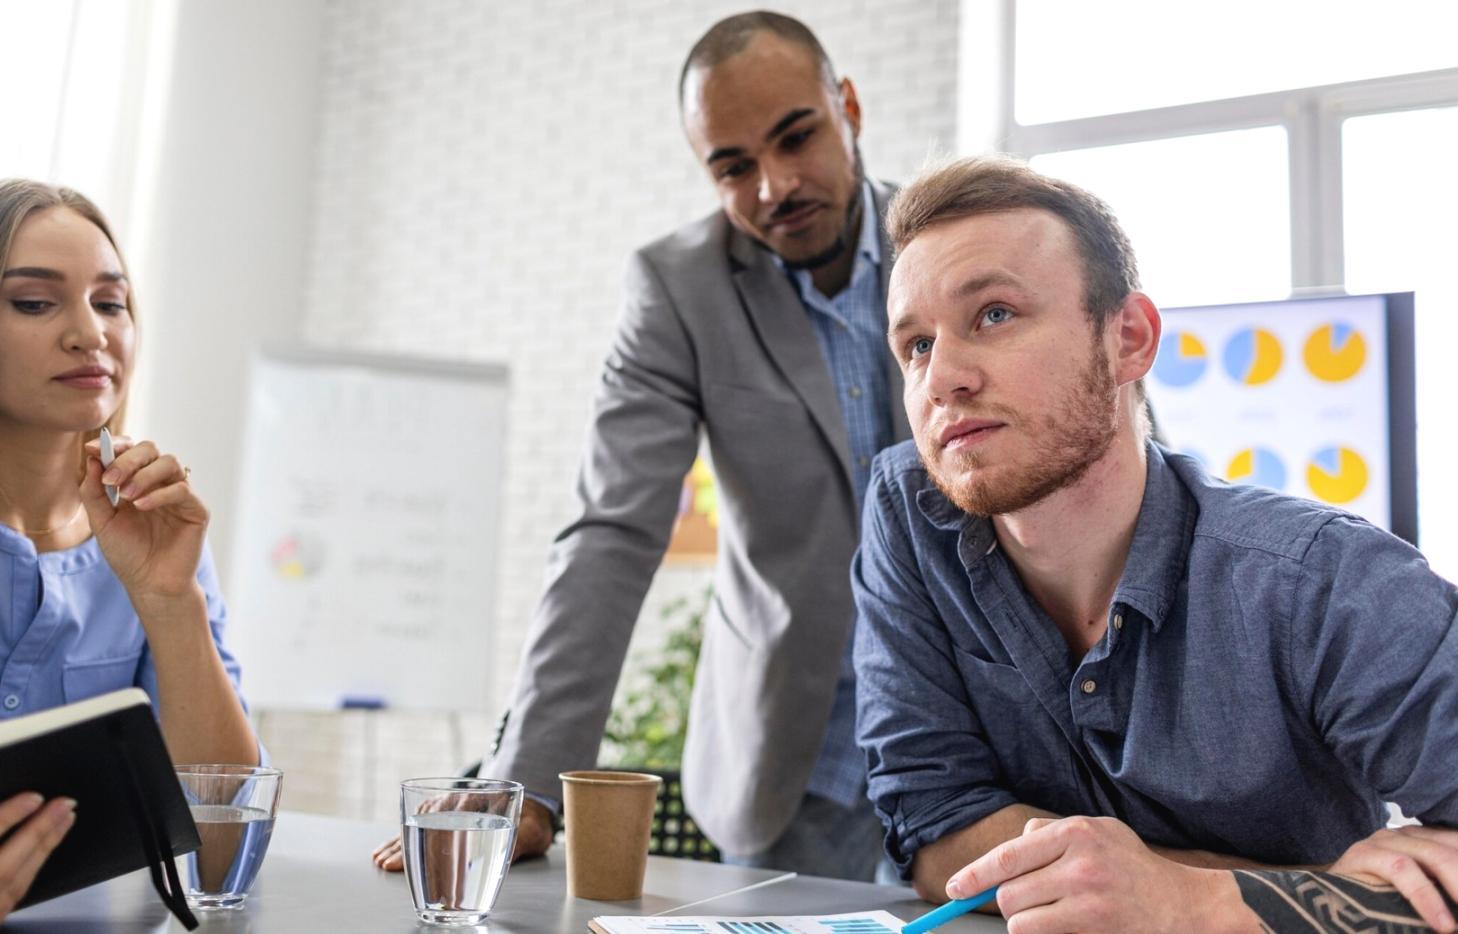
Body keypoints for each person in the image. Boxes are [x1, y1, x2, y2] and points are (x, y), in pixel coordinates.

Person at [851, 155, 1458, 931]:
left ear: (1129, 340)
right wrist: (1271, 889)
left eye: (994, 314)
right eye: (917, 346)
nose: (943, 378)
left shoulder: (1319, 579)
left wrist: (1192, 903)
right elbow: (932, 826)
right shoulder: (912, 514)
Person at [367, 10, 909, 880]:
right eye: (733, 167)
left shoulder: (951, 238)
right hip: (797, 765)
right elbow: (612, 534)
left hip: (969, 747)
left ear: (846, 105)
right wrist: (527, 782)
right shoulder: (679, 289)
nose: (774, 186)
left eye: (796, 137)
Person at [0, 179, 260, 919]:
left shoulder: (152, 534)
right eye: (34, 302)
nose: (91, 334)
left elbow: (224, 851)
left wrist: (170, 601)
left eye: (110, 302)